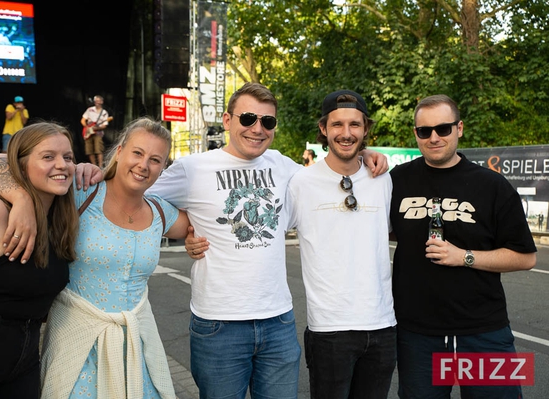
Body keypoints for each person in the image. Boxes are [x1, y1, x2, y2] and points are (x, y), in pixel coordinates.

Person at [155, 82, 388, 398]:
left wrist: (364, 150)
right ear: (227, 120)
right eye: (248, 118)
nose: (257, 128)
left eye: (268, 121)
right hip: (219, 325)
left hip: (278, 323)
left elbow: (332, 170)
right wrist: (185, 228)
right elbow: (141, 200)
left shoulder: (284, 167)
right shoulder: (193, 168)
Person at [0, 117, 189, 399]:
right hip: (77, 343)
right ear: (119, 151)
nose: (144, 165)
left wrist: (195, 241)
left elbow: (201, 224)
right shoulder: (81, 192)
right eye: (137, 153)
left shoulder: (160, 212)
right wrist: (20, 199)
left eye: (156, 160)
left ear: (163, 168)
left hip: (134, 346)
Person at [390, 94, 537, 399]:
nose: (434, 137)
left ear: (459, 128)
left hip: (484, 332)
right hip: (417, 334)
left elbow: (526, 258)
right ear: (416, 134)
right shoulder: (396, 182)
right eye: (424, 131)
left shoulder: (492, 185)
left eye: (443, 129)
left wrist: (463, 257)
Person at [0, 122, 78, 399]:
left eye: (68, 157)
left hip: (24, 363)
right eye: (48, 157)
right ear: (19, 167)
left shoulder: (60, 218)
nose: (62, 165)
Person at [287, 90, 396, 398]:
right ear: (323, 129)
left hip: (382, 326)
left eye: (355, 125)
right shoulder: (301, 183)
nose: (346, 133)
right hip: (329, 330)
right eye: (337, 125)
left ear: (365, 129)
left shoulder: (382, 178)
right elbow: (266, 235)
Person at [81, 95, 110, 167]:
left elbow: (104, 125)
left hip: (98, 133)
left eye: (99, 100)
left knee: (99, 149)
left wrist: (97, 128)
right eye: (96, 100)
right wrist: (86, 127)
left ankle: (100, 166)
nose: (97, 102)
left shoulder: (104, 112)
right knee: (89, 150)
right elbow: (83, 120)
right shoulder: (90, 109)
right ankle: (94, 165)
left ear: (102, 102)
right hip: (88, 132)